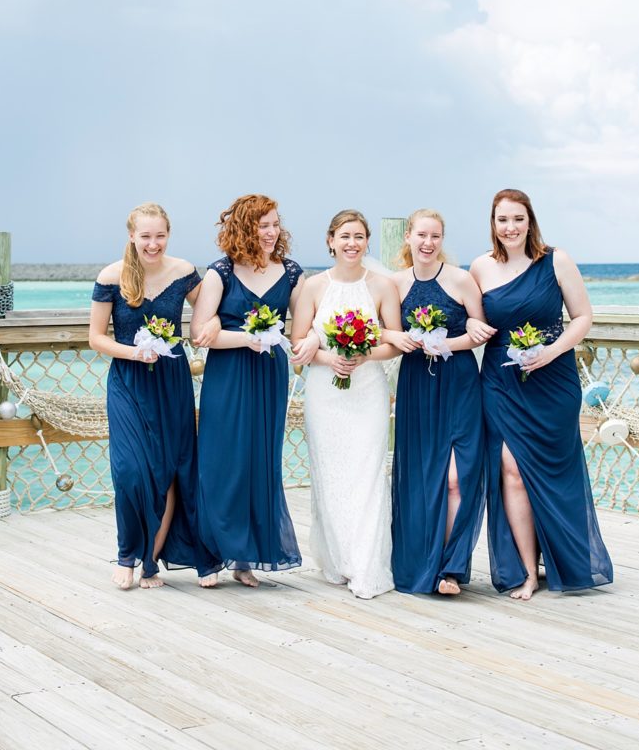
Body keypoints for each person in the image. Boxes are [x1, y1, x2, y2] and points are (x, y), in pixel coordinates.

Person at [468, 189, 613, 600]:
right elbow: (470, 318)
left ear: (530, 221)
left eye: (518, 219)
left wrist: (551, 351)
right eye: (502, 220)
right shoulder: (480, 267)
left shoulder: (556, 260)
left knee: (556, 471)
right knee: (510, 470)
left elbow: (583, 316)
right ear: (492, 224)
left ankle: (566, 559)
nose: (510, 228)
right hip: (500, 381)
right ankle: (527, 572)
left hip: (554, 379)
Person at [89, 202, 220, 590]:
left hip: (171, 381)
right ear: (131, 235)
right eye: (145, 236)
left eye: (160, 235)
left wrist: (209, 326)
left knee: (173, 470)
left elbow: (208, 310)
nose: (153, 244)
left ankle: (149, 563)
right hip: (129, 381)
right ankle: (127, 554)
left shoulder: (182, 271)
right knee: (131, 471)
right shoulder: (111, 276)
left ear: (168, 234)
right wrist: (135, 352)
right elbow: (96, 338)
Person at [190, 194, 317, 588]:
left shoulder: (292, 273)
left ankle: (244, 558)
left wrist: (312, 338)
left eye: (276, 225)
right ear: (244, 227)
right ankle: (209, 557)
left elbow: (305, 323)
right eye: (263, 225)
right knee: (220, 461)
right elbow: (199, 334)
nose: (271, 232)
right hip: (228, 376)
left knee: (259, 462)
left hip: (269, 375)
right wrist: (246, 338)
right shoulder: (220, 273)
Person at [291, 210, 400, 599]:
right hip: (325, 392)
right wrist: (327, 358)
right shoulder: (313, 288)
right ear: (331, 240)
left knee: (368, 474)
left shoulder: (384, 287)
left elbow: (395, 341)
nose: (352, 243)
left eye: (359, 236)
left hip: (368, 389)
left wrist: (364, 354)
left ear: (367, 241)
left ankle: (366, 565)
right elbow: (298, 343)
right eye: (345, 236)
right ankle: (339, 559)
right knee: (331, 473)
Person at [382, 210, 486, 596]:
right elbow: (384, 328)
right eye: (421, 235)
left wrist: (446, 343)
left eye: (435, 236)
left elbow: (480, 333)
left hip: (459, 382)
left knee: (458, 478)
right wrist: (397, 335)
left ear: (443, 239)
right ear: (407, 237)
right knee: (422, 480)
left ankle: (452, 567)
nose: (428, 243)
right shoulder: (393, 284)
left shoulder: (461, 280)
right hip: (416, 386)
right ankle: (423, 562)